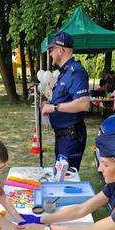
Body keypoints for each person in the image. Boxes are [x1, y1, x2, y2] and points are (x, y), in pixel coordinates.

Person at [41, 32, 90, 171]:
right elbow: (65, 98)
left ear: (60, 50)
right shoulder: (65, 73)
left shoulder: (76, 71)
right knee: (60, 176)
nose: (50, 54)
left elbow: (83, 104)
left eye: (51, 50)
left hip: (71, 136)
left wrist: (53, 108)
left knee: (67, 179)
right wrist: (48, 102)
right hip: (63, 136)